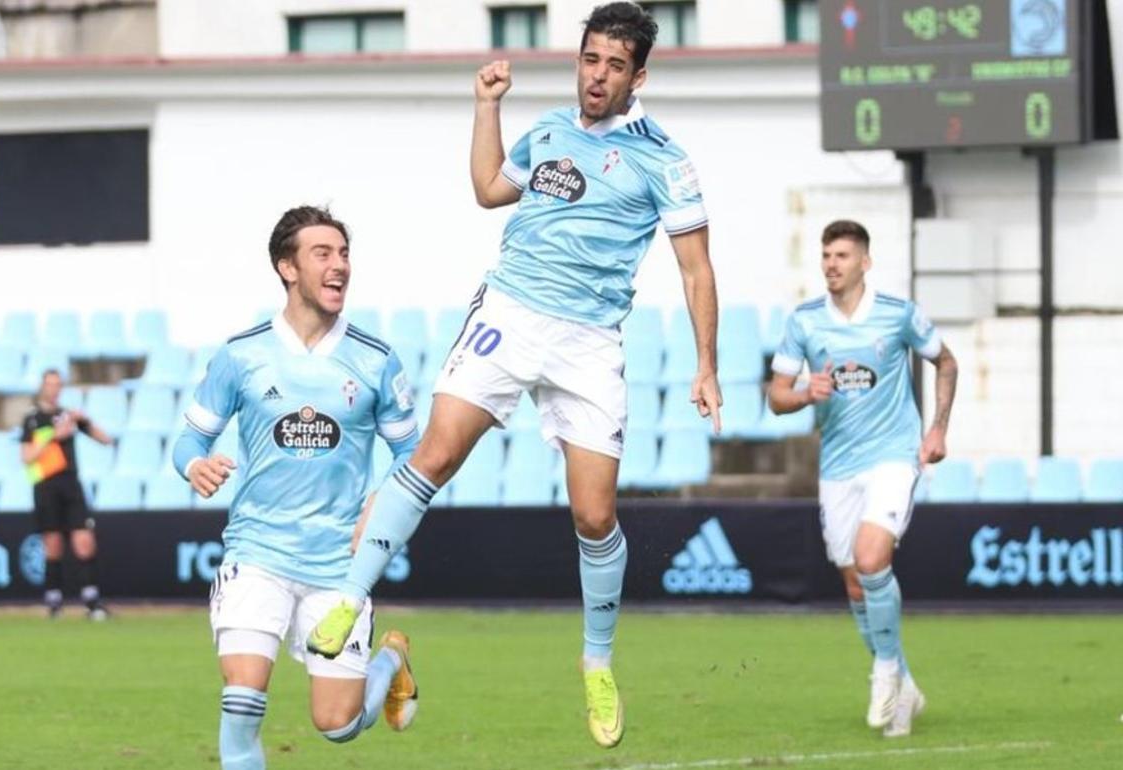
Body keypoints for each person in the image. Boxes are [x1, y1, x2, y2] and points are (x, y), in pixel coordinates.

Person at [307, 2, 722, 749]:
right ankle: (349, 596)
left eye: (614, 65)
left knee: (594, 516)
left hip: (589, 341)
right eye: (590, 59)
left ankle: (596, 662)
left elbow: (696, 269)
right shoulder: (550, 131)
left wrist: (707, 364)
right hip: (511, 312)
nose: (597, 76)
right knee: (432, 456)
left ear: (639, 75)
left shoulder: (666, 158)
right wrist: (485, 105)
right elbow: (490, 189)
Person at [172, 205, 421, 770]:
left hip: (340, 565)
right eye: (323, 254)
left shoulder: (376, 360)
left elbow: (411, 454)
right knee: (241, 700)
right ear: (288, 268)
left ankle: (389, 662)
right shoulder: (242, 355)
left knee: (337, 726)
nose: (340, 266)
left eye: (344, 254)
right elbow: (187, 442)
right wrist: (194, 466)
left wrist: (382, 499)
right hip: (256, 553)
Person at [768, 219, 959, 738]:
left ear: (864, 263)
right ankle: (906, 684)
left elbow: (945, 362)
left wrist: (937, 430)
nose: (832, 264)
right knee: (855, 583)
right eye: (827, 256)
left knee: (873, 558)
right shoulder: (805, 322)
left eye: (842, 256)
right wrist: (806, 391)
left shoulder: (898, 315)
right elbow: (776, 395)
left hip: (894, 455)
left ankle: (884, 672)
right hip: (838, 466)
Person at [19, 368, 114, 620]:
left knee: (84, 541)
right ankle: (54, 602)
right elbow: (27, 457)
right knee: (52, 545)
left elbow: (106, 439)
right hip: (45, 486)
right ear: (43, 386)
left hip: (71, 484)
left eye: (58, 384)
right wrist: (52, 436)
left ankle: (91, 602)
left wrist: (86, 421)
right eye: (50, 384)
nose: (54, 389)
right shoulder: (33, 420)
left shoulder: (67, 416)